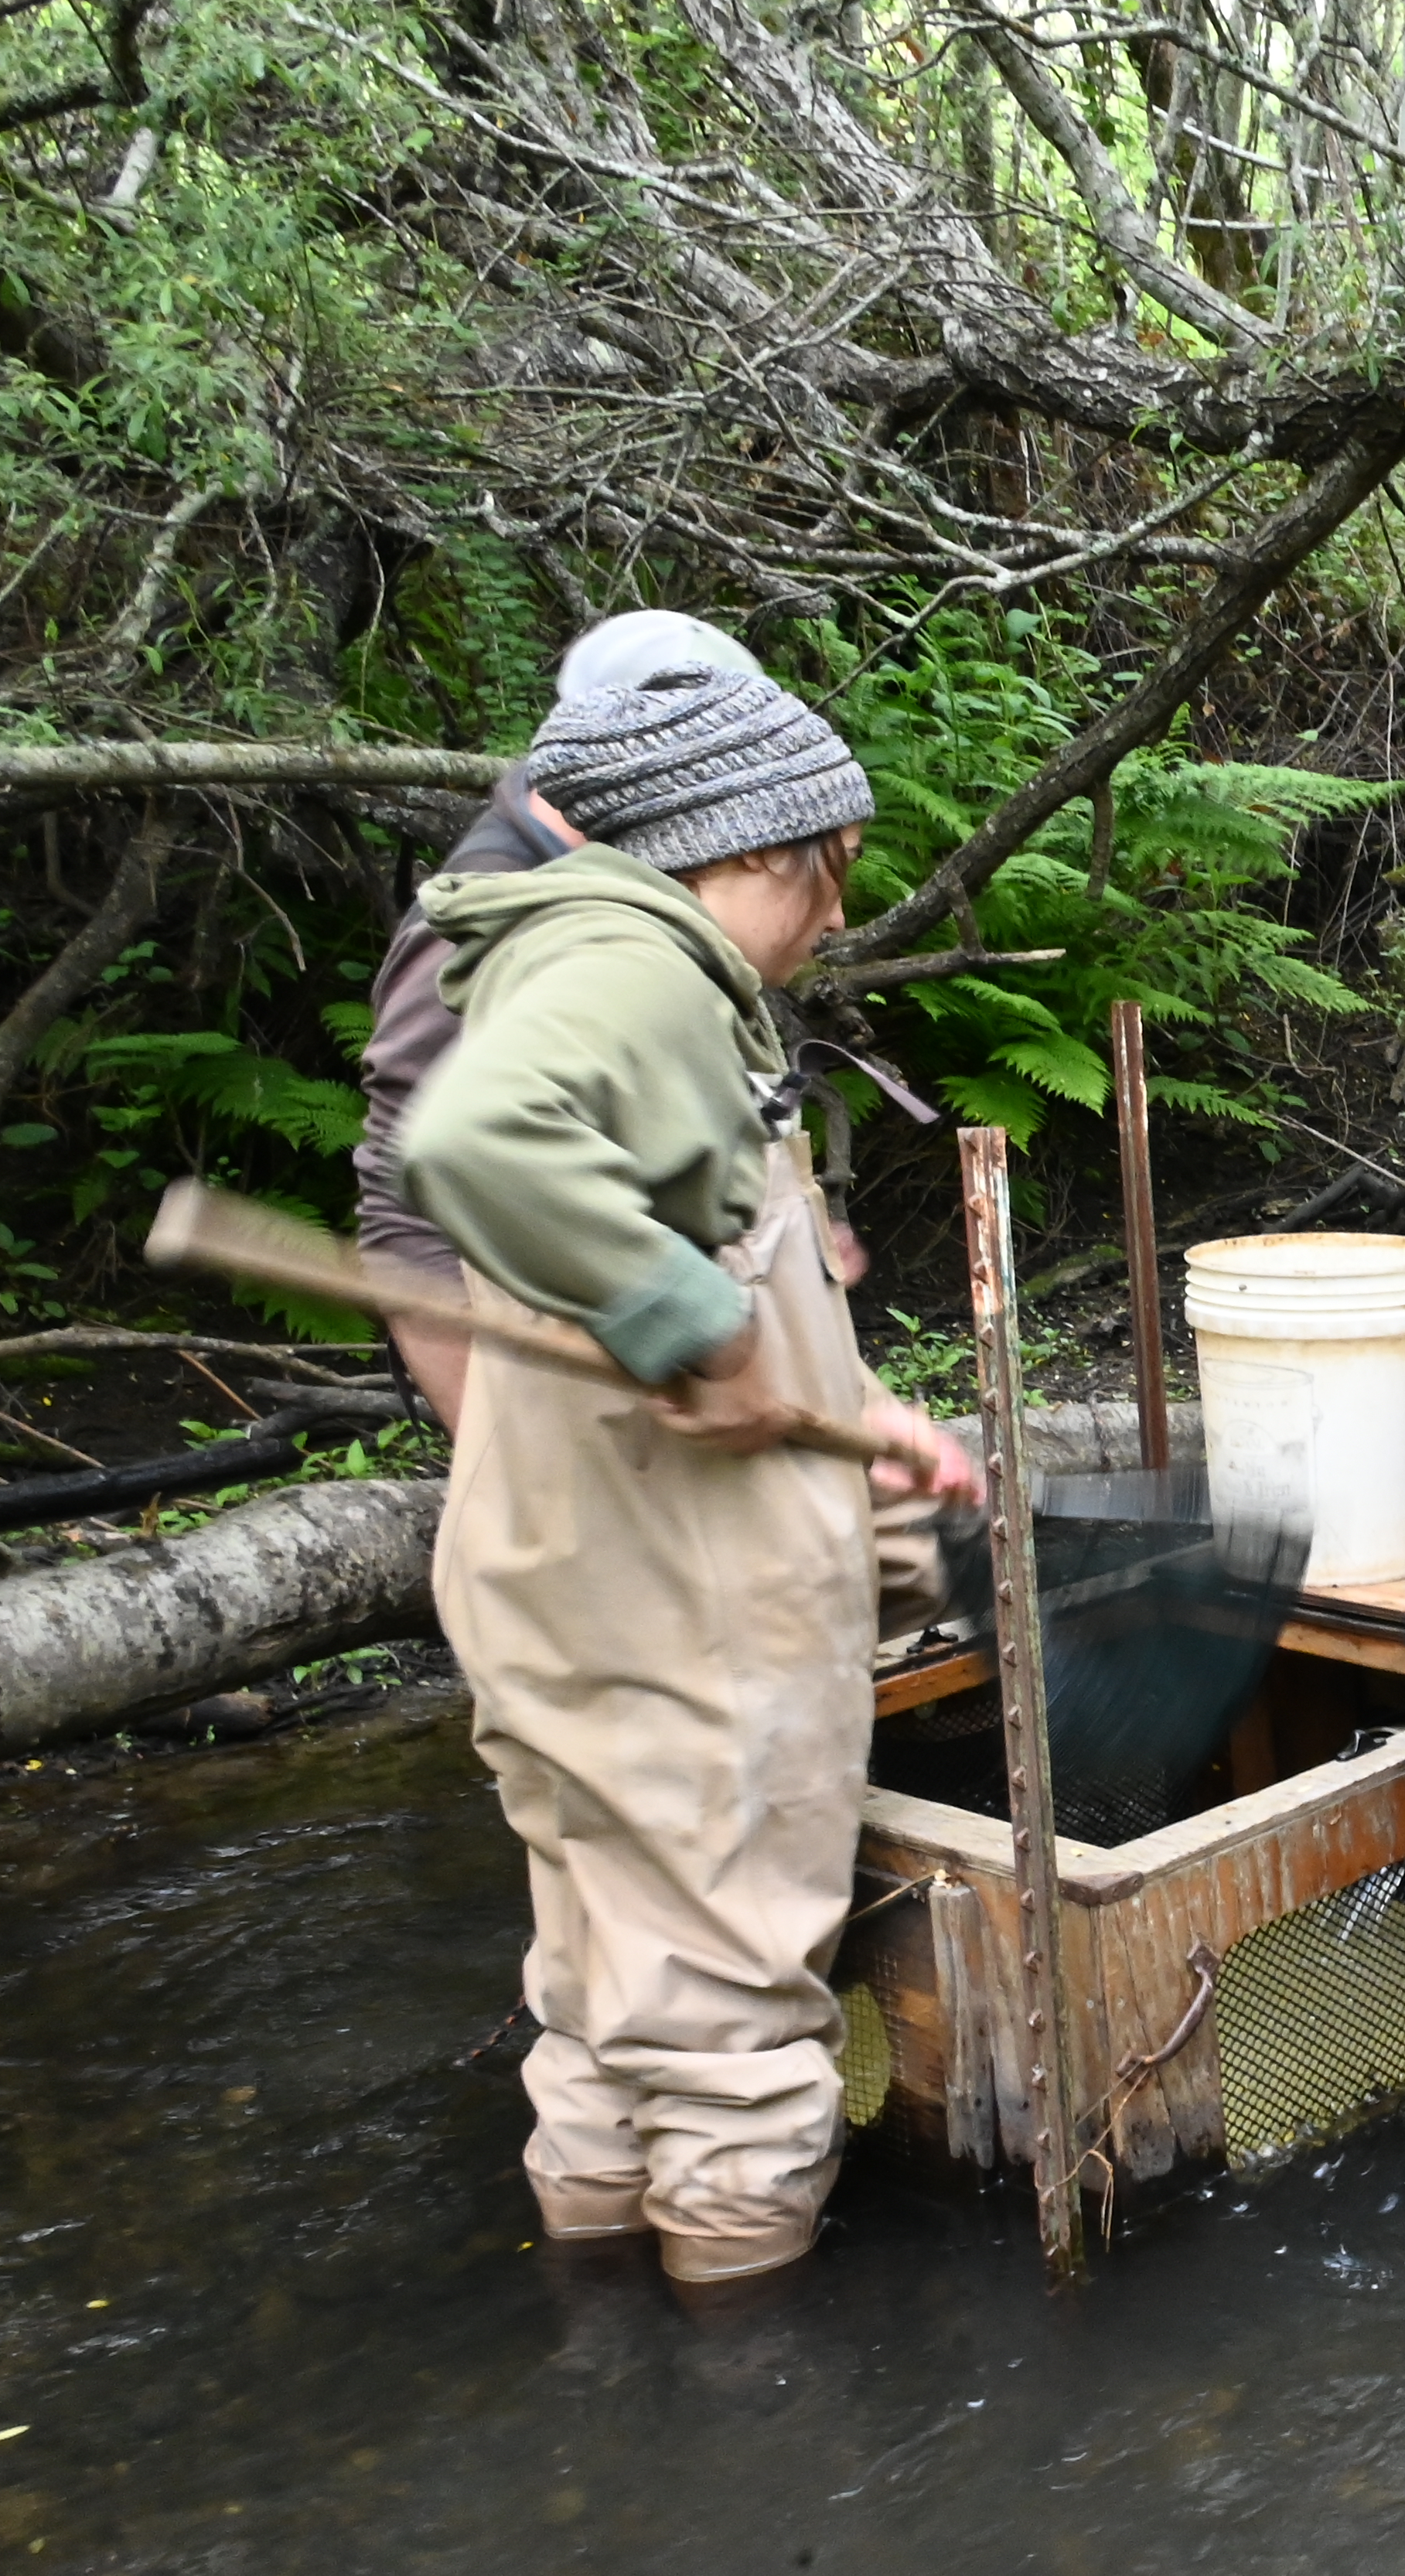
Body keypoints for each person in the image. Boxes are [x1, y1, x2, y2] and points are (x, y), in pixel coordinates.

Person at [402, 664, 982, 2288]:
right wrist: (689, 1322)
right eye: (831, 866)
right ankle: (743, 2433)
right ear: (752, 849)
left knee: (603, 2008)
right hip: (679, 1617)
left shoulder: (564, 958)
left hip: (562, 1580)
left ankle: (604, 2363)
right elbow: (478, 1149)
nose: (831, 913)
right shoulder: (639, 966)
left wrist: (857, 1408)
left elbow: (694, 1254)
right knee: (729, 2030)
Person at [356, 610, 763, 1425]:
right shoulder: (484, 918)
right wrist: (495, 1444)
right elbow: (406, 1208)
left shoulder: (628, 893)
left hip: (673, 1400)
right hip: (561, 1407)